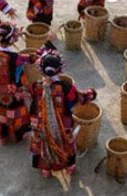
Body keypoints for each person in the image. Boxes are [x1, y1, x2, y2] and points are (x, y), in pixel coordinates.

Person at [29, 50, 96, 178]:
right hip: (61, 126)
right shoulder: (66, 87)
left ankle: (46, 170)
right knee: (65, 143)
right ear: (59, 70)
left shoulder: (35, 86)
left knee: (41, 143)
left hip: (40, 124)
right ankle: (69, 166)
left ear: (41, 69)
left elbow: (33, 97)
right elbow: (79, 98)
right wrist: (91, 94)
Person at [0, 22, 38, 145]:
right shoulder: (14, 57)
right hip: (10, 93)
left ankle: (2, 136)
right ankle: (15, 135)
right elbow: (28, 61)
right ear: (12, 40)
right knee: (12, 113)